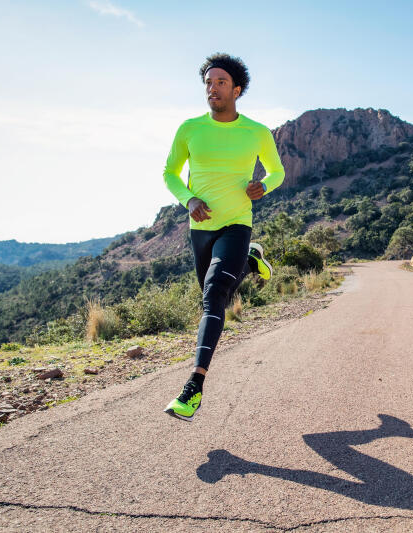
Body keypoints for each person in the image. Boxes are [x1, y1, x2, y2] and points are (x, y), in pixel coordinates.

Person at [162, 53, 284, 421]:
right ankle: (250, 259)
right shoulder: (189, 129)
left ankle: (193, 388)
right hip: (200, 228)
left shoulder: (256, 132)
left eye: (219, 83)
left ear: (237, 89)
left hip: (236, 223)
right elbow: (169, 172)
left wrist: (263, 185)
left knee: (214, 294)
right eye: (208, 84)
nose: (212, 89)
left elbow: (277, 171)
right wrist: (189, 198)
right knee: (215, 297)